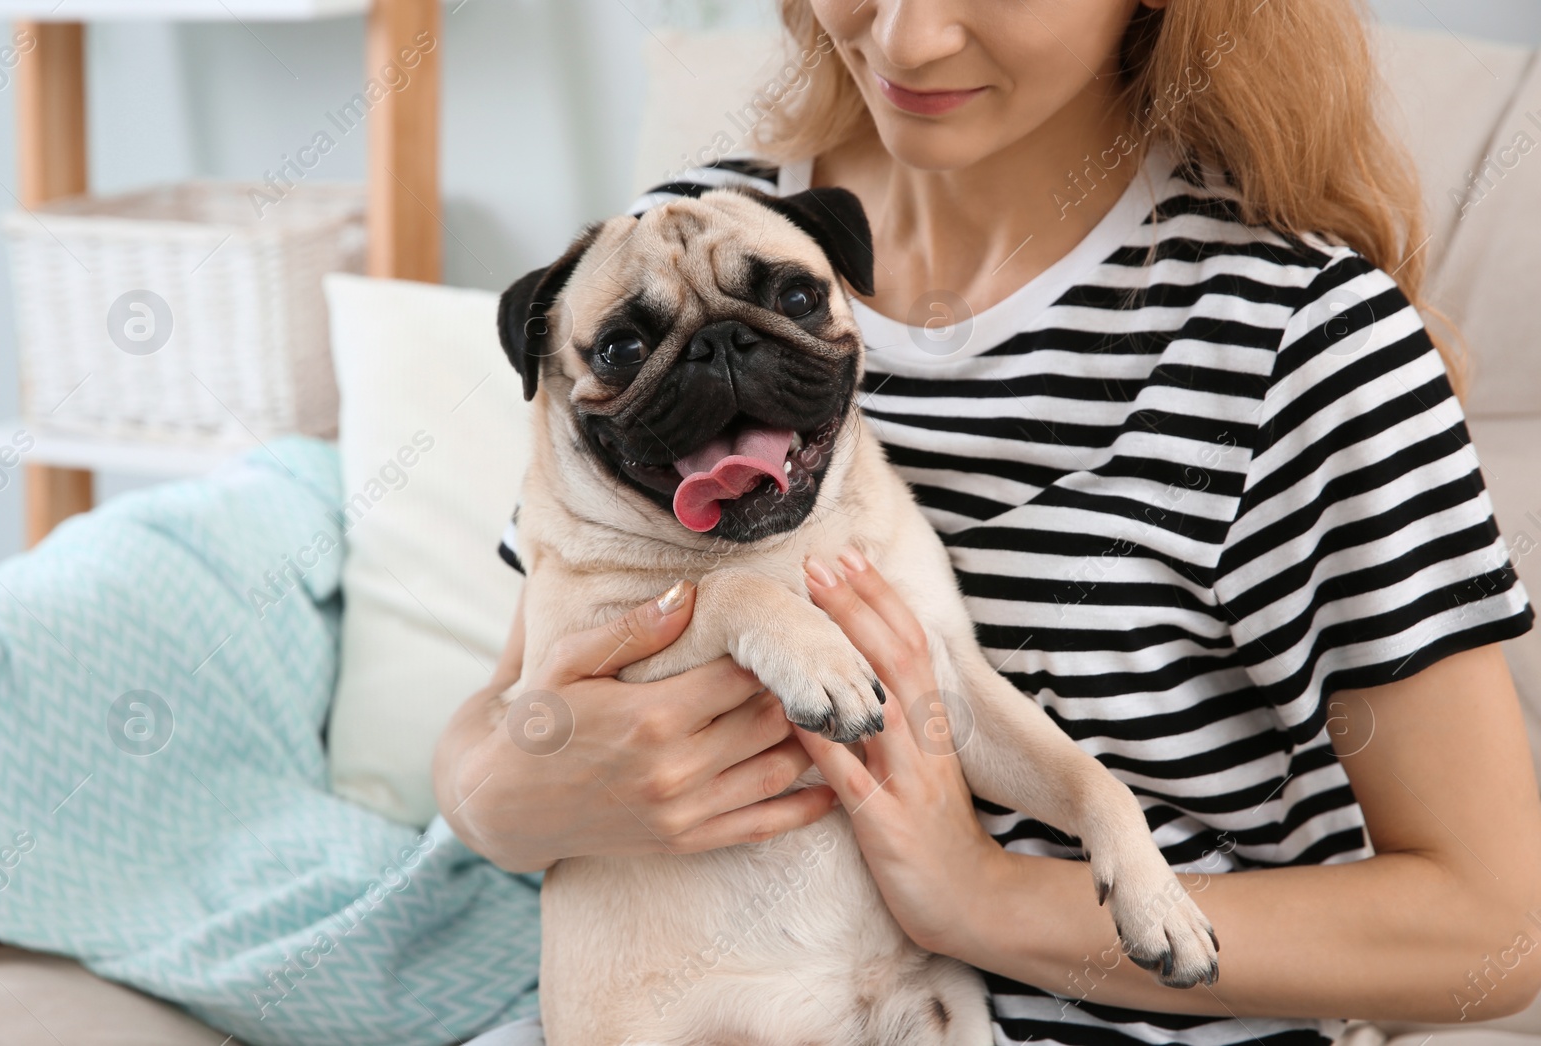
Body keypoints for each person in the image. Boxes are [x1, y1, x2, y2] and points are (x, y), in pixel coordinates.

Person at [436, 1, 1541, 1043]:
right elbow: (525, 685)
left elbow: (1495, 926)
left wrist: (981, 897)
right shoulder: (704, 233)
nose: (909, 36)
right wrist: (496, 797)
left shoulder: (1298, 338)